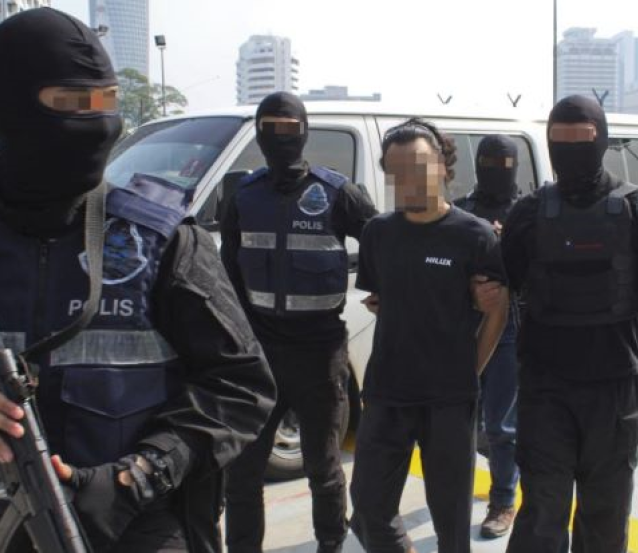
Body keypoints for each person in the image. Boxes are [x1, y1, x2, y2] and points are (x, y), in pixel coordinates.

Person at [0, 8, 275, 553]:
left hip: (138, 528)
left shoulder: (159, 235)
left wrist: (140, 475)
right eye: (73, 103)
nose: (98, 122)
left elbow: (241, 386)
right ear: (12, 105)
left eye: (107, 102)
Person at [474, 95, 638, 553]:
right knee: (543, 508)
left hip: (614, 387)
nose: (571, 151)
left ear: (602, 140)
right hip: (545, 388)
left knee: (605, 510)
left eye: (582, 140)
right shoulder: (530, 212)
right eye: (560, 141)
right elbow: (497, 281)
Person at [220, 91, 377, 553]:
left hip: (319, 355)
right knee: (243, 472)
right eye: (269, 128)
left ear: (305, 131)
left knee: (323, 467)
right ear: (258, 133)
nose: (280, 137)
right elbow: (229, 273)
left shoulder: (337, 193)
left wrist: (382, 292)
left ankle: (331, 544)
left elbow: (383, 244)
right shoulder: (243, 196)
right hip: (259, 357)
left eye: (289, 128)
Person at [349, 118, 509, 553]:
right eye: (397, 171)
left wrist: (469, 369)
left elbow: (497, 311)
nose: (410, 179)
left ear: (441, 164)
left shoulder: (475, 235)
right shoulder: (378, 232)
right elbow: (383, 298)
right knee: (368, 506)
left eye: (419, 166)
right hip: (387, 391)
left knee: (451, 521)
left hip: (448, 399)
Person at [455, 135, 521, 539]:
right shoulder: (461, 210)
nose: (497, 171)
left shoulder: (527, 213)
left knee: (500, 424)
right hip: (464, 326)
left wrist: (507, 241)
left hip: (510, 328)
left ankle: (503, 500)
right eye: (489, 163)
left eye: (505, 164)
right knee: (458, 419)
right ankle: (453, 495)